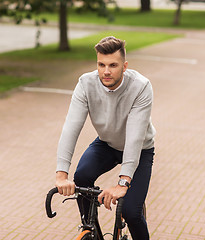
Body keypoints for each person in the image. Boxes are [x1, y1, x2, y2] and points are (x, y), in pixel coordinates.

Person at [55, 36, 156, 240]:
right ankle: (91, 230)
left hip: (140, 150)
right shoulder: (86, 83)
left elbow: (135, 138)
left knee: (131, 212)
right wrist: (61, 174)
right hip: (107, 143)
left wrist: (123, 182)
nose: (106, 71)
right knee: (81, 178)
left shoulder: (141, 86)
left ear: (124, 66)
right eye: (101, 64)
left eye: (113, 65)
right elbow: (71, 128)